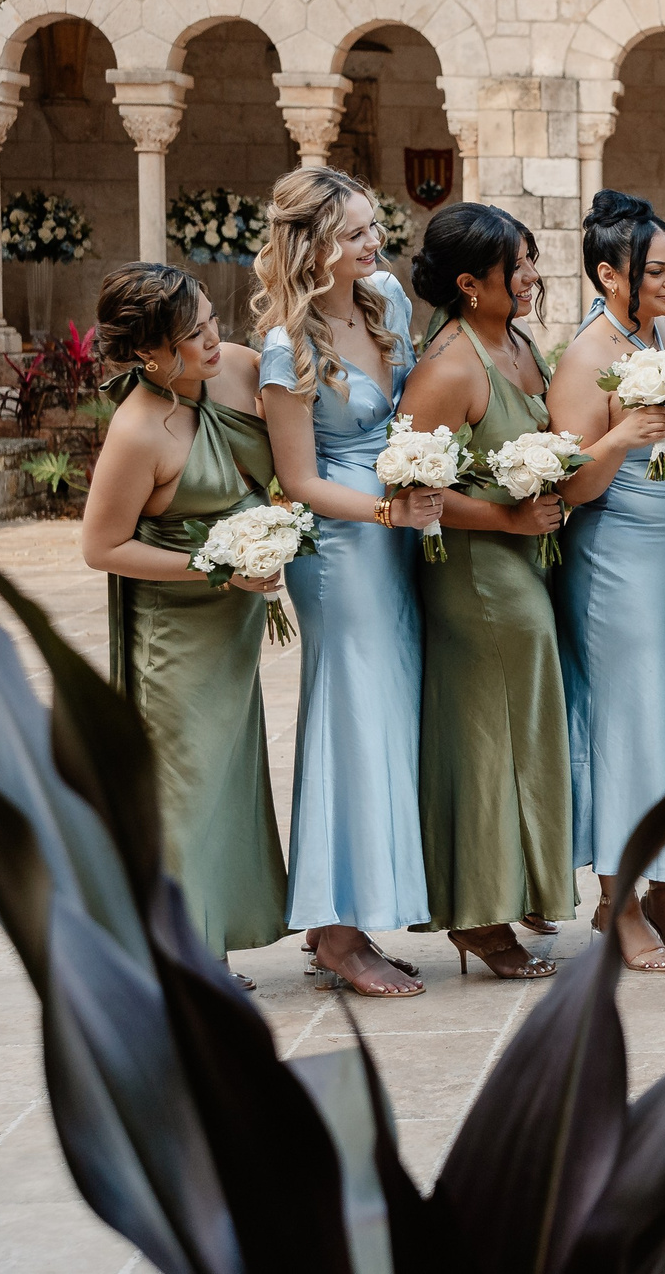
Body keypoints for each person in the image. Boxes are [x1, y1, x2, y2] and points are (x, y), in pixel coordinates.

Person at [257, 166, 439, 998]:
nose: (376, 243)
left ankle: (357, 912)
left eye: (374, 227)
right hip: (342, 545)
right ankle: (333, 930)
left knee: (390, 716)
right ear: (313, 247)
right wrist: (384, 514)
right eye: (358, 233)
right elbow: (297, 479)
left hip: (405, 524)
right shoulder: (284, 349)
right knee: (350, 717)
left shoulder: (387, 301)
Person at [82, 262, 287, 975]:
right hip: (174, 638)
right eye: (191, 334)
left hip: (230, 628)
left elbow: (295, 427)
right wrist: (215, 565)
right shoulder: (138, 432)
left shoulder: (234, 369)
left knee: (226, 785)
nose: (212, 340)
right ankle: (185, 960)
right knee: (183, 790)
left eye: (211, 321)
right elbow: (101, 546)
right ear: (146, 353)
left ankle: (209, 942)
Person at [402, 203, 575, 979]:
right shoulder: (448, 368)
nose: (534, 276)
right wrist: (506, 517)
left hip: (524, 561)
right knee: (483, 740)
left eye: (532, 260)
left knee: (526, 732)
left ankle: (523, 882)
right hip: (474, 573)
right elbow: (412, 491)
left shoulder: (518, 341)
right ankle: (476, 913)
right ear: (471, 284)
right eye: (520, 266)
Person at [549, 191, 665, 972]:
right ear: (611, 275)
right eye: (656, 270)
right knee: (627, 729)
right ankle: (620, 898)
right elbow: (571, 486)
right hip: (616, 556)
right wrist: (624, 432)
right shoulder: (587, 356)